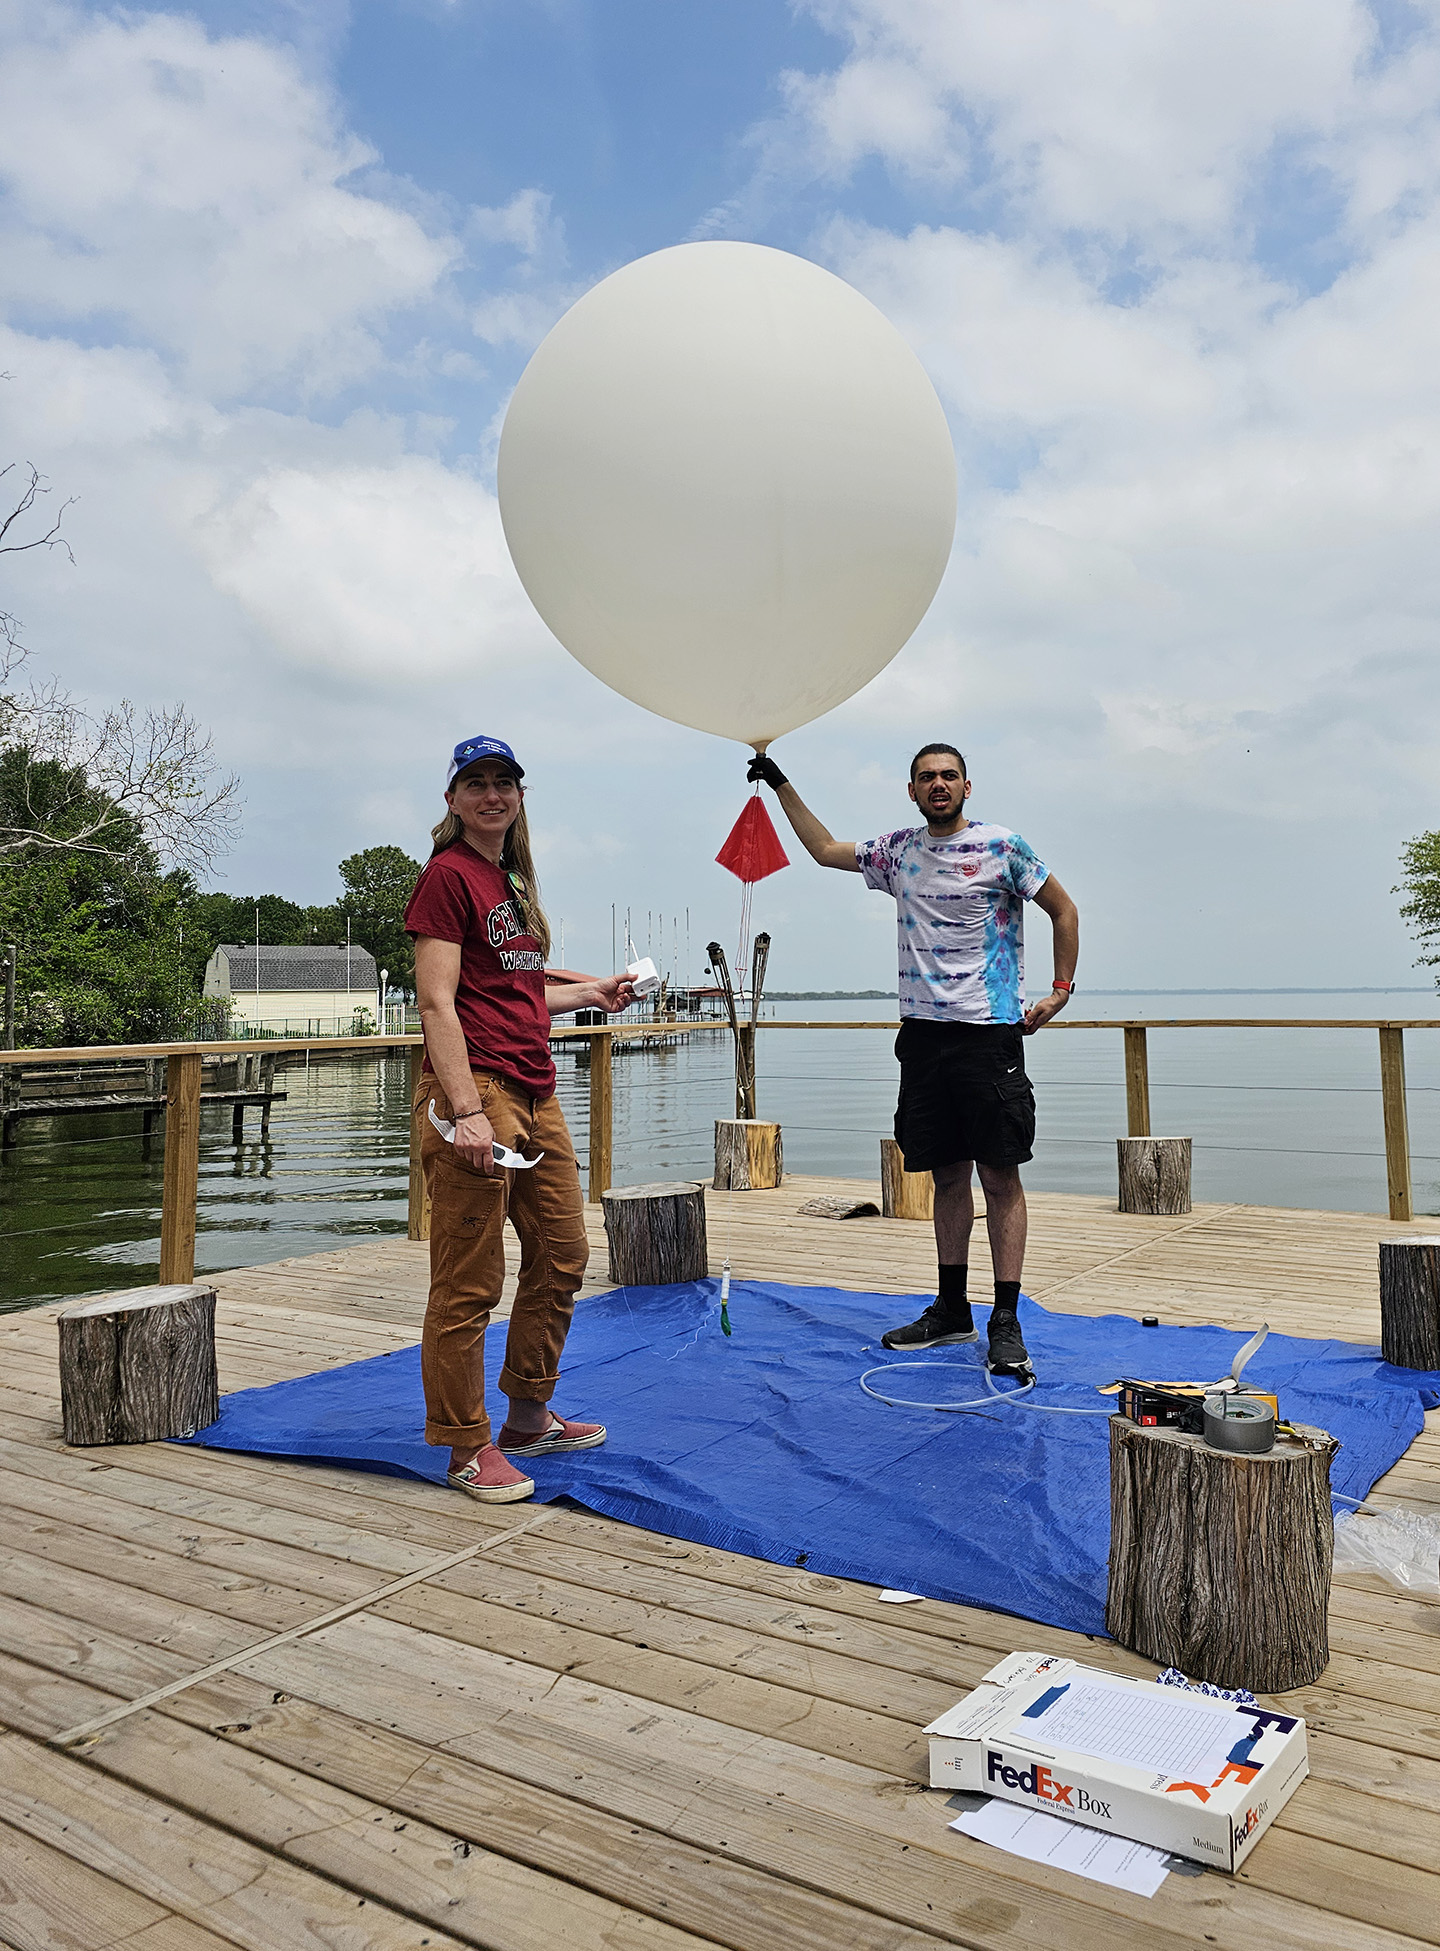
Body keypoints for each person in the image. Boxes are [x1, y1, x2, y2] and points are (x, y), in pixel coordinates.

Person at [747, 742, 1079, 1377]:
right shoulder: (900, 852)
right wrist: (780, 779)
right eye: (927, 777)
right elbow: (824, 851)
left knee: (1000, 1177)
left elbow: (1063, 909)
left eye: (948, 776)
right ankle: (952, 1308)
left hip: (989, 1035)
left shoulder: (1004, 848)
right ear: (912, 789)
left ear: (967, 785)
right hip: (924, 1038)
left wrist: (1060, 992)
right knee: (947, 1175)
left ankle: (1004, 1318)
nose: (938, 785)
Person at [406, 734, 634, 1503]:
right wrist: (464, 1110)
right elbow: (437, 1000)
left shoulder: (508, 882)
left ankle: (528, 1414)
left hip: (537, 1089)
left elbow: (516, 994)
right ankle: (467, 1445)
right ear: (453, 800)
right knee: (469, 1279)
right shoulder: (447, 876)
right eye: (477, 783)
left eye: (504, 781)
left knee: (564, 1251)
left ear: (520, 797)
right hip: (481, 1093)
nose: (492, 794)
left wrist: (593, 994)